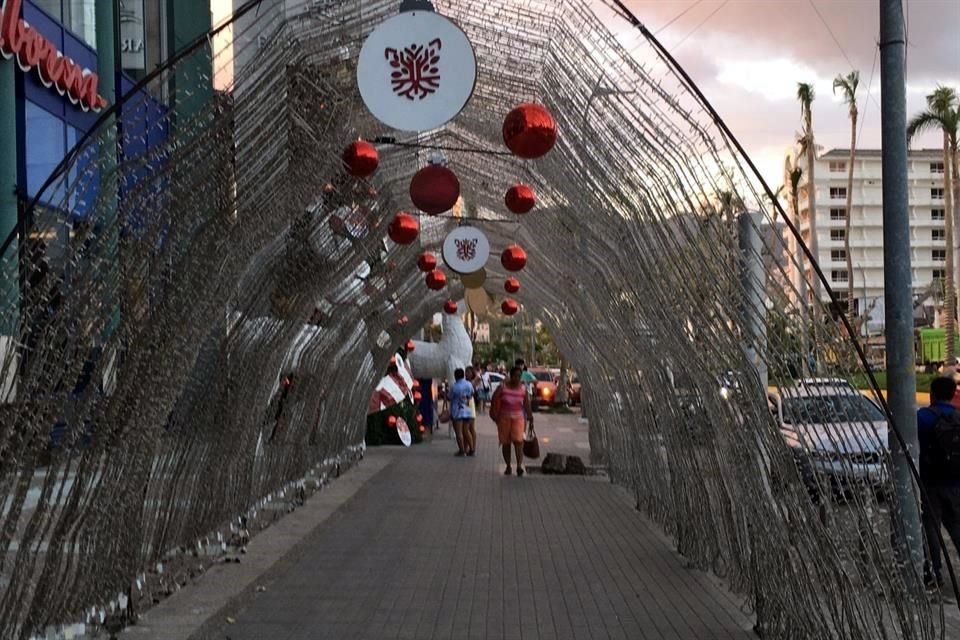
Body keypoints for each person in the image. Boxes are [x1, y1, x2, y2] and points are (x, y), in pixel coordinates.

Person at [917, 376, 960, 590]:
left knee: (931, 530)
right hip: (955, 483)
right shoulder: (958, 418)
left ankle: (935, 574)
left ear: (931, 394)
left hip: (930, 483)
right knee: (957, 527)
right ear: (953, 395)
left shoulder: (922, 417)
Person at [491, 366, 533, 476]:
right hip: (504, 419)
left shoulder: (523, 389)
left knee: (519, 442)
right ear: (511, 375)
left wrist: (530, 417)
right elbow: (494, 400)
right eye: (515, 376)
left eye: (519, 376)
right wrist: (495, 414)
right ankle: (508, 466)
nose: (517, 378)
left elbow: (526, 404)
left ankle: (519, 466)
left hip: (519, 419)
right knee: (506, 443)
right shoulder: (502, 387)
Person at [448, 368, 475, 457]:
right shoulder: (469, 384)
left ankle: (462, 450)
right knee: (466, 431)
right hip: (467, 411)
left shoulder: (454, 386)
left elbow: (450, 397)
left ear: (455, 376)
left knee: (459, 432)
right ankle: (471, 449)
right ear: (463, 375)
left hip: (457, 412)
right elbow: (471, 394)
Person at [463, 366, 479, 456]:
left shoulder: (471, 383)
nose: (467, 374)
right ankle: (467, 448)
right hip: (467, 405)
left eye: (468, 372)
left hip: (469, 405)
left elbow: (470, 393)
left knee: (469, 429)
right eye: (466, 372)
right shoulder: (466, 382)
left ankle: (472, 448)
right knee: (469, 429)